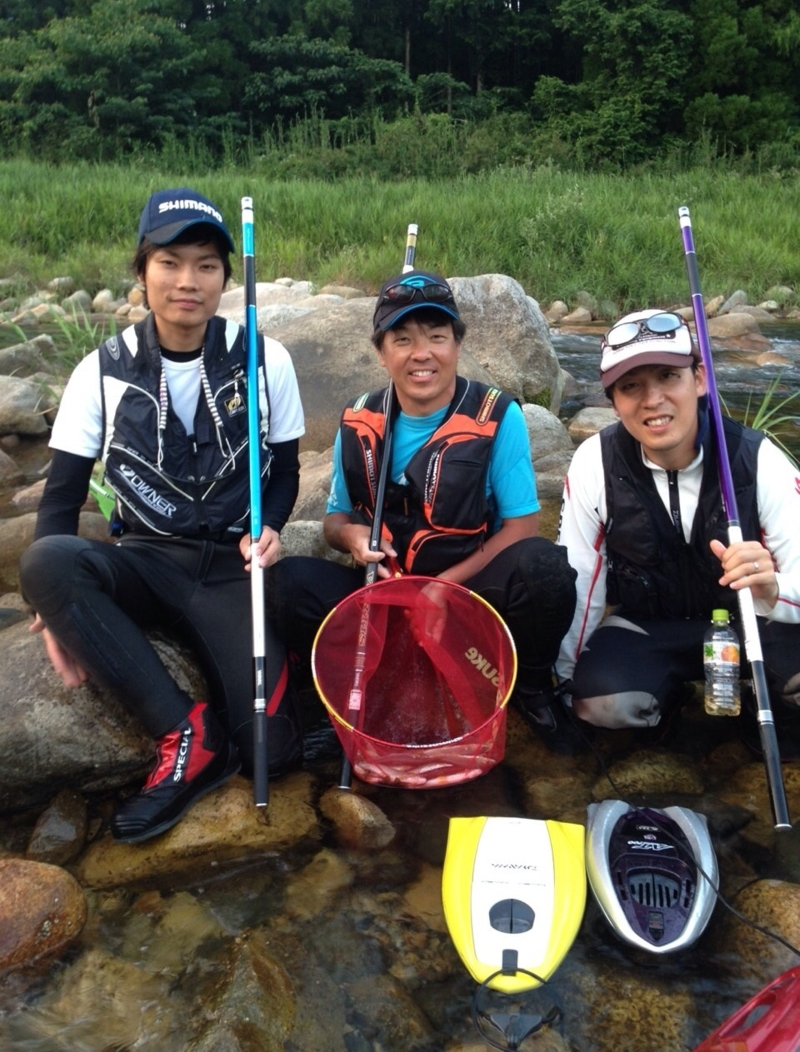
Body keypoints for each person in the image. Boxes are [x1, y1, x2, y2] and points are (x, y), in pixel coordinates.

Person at [19, 187, 305, 843]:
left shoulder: (266, 359)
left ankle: (256, 722)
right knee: (45, 562)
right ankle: (183, 733)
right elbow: (61, 499)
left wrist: (273, 527)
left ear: (225, 278)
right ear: (142, 270)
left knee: (274, 755)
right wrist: (56, 612)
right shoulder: (101, 372)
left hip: (233, 570)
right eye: (170, 262)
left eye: (206, 265)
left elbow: (285, 473)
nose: (188, 281)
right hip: (147, 560)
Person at [266, 270, 578, 748]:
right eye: (403, 339)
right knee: (285, 587)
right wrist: (351, 538)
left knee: (545, 569)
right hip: (384, 593)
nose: (421, 354)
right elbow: (335, 520)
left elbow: (522, 527)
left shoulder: (497, 415)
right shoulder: (357, 419)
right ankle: (335, 695)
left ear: (457, 344)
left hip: (467, 590)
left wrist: (444, 590)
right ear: (381, 351)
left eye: (437, 337)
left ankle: (532, 689)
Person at [556, 308, 800, 738]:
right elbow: (582, 587)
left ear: (700, 379)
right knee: (599, 704)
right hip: (648, 627)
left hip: (754, 629)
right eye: (631, 386)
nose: (652, 400)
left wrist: (774, 588)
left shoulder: (759, 459)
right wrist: (563, 681)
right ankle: (669, 714)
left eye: (668, 376)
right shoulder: (594, 463)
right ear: (612, 401)